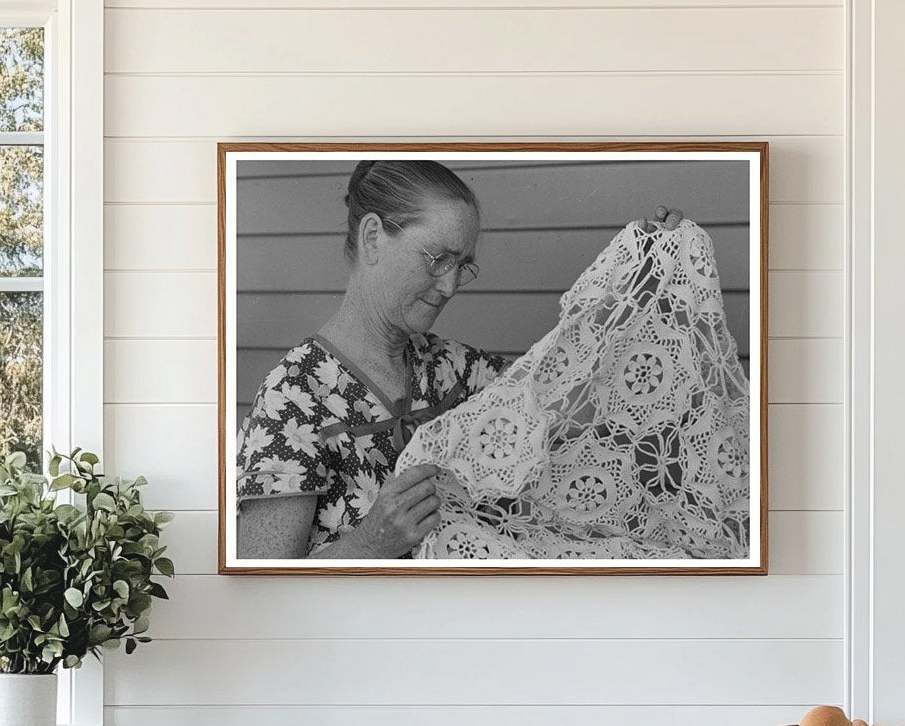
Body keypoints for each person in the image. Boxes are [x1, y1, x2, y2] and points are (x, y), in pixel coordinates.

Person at [236, 158, 683, 560]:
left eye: (462, 266)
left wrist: (638, 295)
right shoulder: (293, 398)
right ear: (373, 238)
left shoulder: (456, 370)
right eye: (437, 259)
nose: (449, 287)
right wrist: (370, 544)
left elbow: (575, 408)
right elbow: (261, 592)